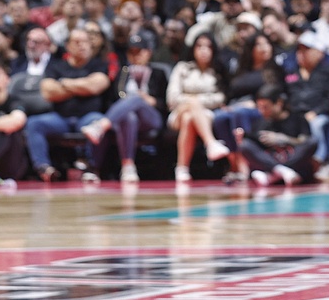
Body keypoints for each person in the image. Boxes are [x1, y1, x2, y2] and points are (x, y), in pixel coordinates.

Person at [27, 27, 112, 182]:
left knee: (99, 123)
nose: (82, 45)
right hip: (61, 118)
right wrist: (82, 87)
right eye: (77, 42)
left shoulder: (99, 64)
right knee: (34, 123)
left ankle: (91, 167)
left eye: (86, 42)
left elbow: (96, 86)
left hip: (88, 117)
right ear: (68, 46)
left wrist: (63, 83)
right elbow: (48, 92)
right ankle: (44, 168)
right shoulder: (56, 65)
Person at [94, 29, 168, 184]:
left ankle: (101, 125)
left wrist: (151, 100)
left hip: (151, 118)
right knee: (129, 116)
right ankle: (128, 166)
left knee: (136, 97)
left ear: (148, 52)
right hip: (126, 119)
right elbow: (113, 100)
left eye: (139, 51)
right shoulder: (123, 73)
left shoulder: (159, 73)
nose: (135, 56)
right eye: (132, 52)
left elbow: (166, 104)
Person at [167, 33, 231, 183]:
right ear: (193, 49)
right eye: (199, 46)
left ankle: (182, 168)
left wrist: (196, 101)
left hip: (206, 114)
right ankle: (210, 143)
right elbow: (172, 98)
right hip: (178, 112)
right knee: (191, 106)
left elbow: (221, 97)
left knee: (189, 118)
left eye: (208, 47)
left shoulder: (218, 71)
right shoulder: (182, 68)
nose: (203, 50)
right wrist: (194, 101)